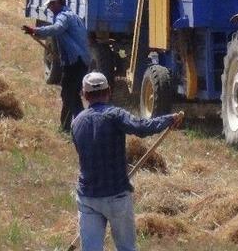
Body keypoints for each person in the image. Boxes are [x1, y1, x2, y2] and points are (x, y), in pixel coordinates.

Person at [71, 72, 183, 251]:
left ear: (84, 95)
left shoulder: (76, 123)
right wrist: (168, 119)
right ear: (108, 91)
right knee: (126, 248)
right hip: (116, 195)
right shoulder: (115, 115)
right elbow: (141, 128)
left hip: (88, 198)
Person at [22, 0, 91, 132]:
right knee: (71, 95)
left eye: (51, 5)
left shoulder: (63, 16)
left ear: (58, 3)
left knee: (68, 94)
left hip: (75, 62)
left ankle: (77, 127)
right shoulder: (73, 15)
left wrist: (35, 30)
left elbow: (57, 28)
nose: (49, 8)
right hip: (79, 61)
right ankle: (71, 126)